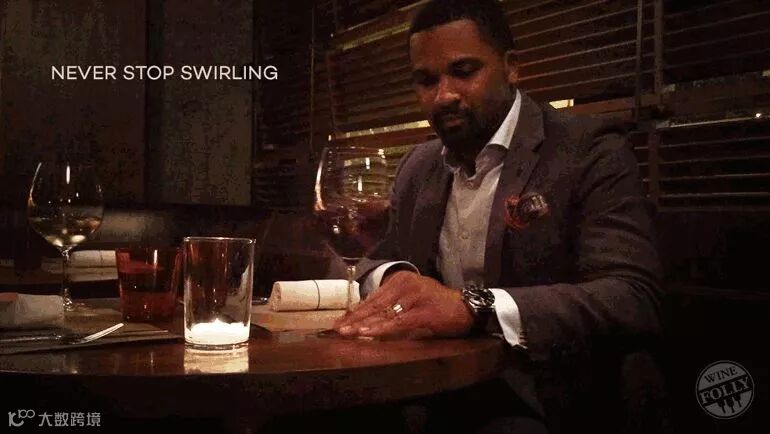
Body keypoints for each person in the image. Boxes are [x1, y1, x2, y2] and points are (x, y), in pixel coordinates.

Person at [333, 0, 664, 432]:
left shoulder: (589, 149)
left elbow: (632, 295)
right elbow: (376, 258)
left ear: (511, 67)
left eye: (464, 71)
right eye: (426, 80)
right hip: (428, 384)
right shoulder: (418, 165)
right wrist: (395, 276)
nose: (444, 95)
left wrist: (474, 307)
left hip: (544, 397)